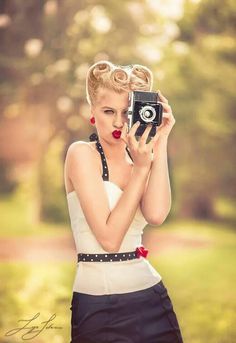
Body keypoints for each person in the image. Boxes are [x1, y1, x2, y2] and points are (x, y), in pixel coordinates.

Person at [64, 60, 184, 343]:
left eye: (125, 113)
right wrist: (142, 170)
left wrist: (161, 140)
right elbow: (108, 239)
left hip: (151, 296)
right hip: (98, 305)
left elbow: (156, 215)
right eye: (108, 111)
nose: (118, 122)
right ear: (92, 112)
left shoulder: (139, 157)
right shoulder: (82, 154)